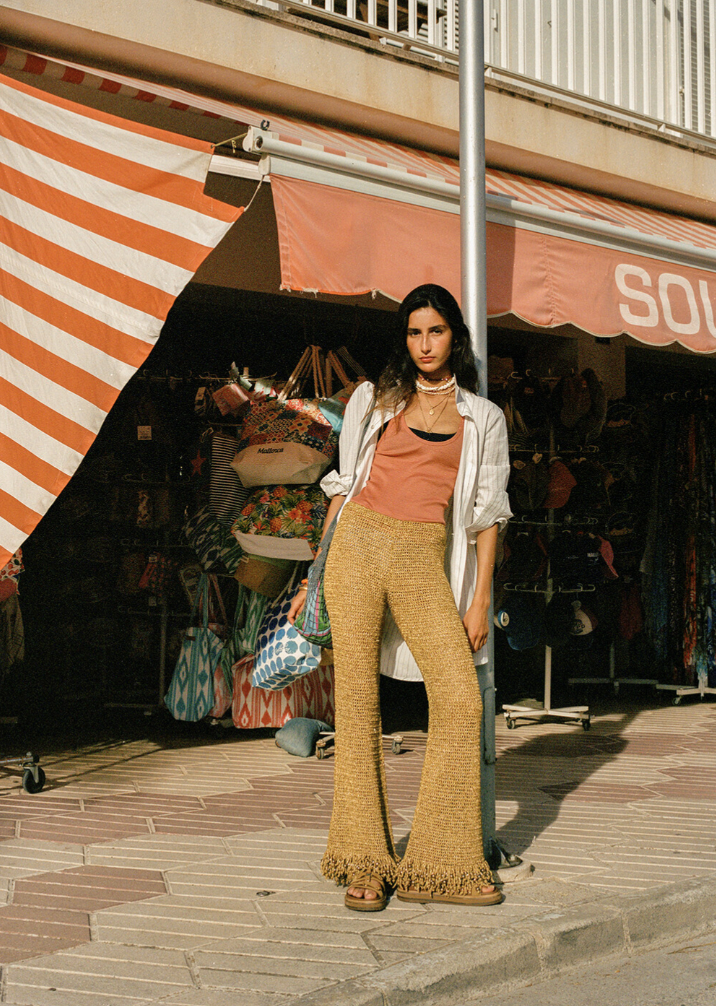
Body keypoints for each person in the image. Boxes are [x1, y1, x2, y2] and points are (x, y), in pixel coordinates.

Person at [288, 284, 512, 912]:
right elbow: (344, 485)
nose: (424, 345)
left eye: (435, 331)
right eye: (414, 333)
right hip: (357, 546)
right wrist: (313, 574)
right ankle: (363, 861)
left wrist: (478, 602)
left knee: (461, 700)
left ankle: (439, 864)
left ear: (454, 336)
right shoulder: (374, 398)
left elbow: (489, 514)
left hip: (421, 557)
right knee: (358, 707)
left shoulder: (483, 418)